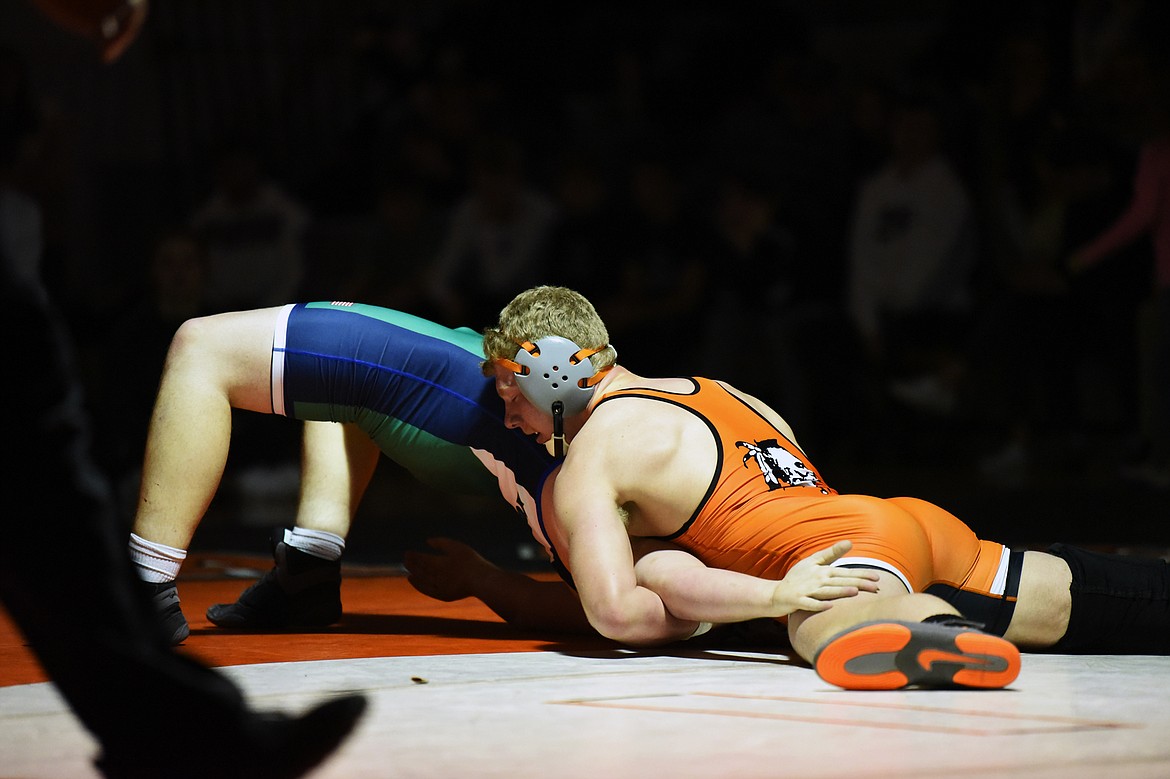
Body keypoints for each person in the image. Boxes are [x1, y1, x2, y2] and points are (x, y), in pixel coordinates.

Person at [470, 285, 1170, 690]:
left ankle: (930, 626)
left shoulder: (591, 458)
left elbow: (618, 612)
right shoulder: (722, 390)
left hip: (841, 558)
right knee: (1084, 599)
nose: (508, 417)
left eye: (511, 394)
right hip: (904, 525)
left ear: (551, 372)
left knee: (816, 620)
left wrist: (747, 603)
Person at [127, 300, 560, 644]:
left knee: (202, 349)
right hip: (491, 427)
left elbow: (608, 613)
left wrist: (481, 578)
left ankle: (146, 588)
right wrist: (481, 578)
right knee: (334, 381)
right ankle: (308, 569)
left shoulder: (594, 473)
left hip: (472, 410)